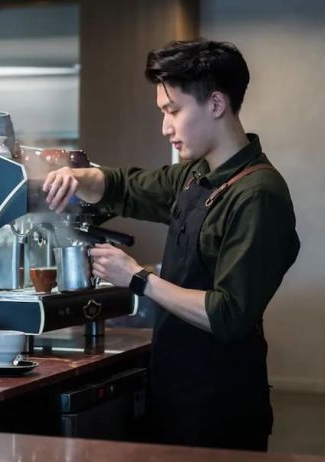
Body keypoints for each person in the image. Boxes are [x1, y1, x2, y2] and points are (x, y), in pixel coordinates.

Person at [42, 39, 299, 451]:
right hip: (174, 389)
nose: (165, 127)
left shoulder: (258, 194)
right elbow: (128, 186)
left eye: (173, 111)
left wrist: (137, 278)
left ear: (216, 104)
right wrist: (83, 178)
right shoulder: (195, 176)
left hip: (222, 407)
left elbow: (227, 314)